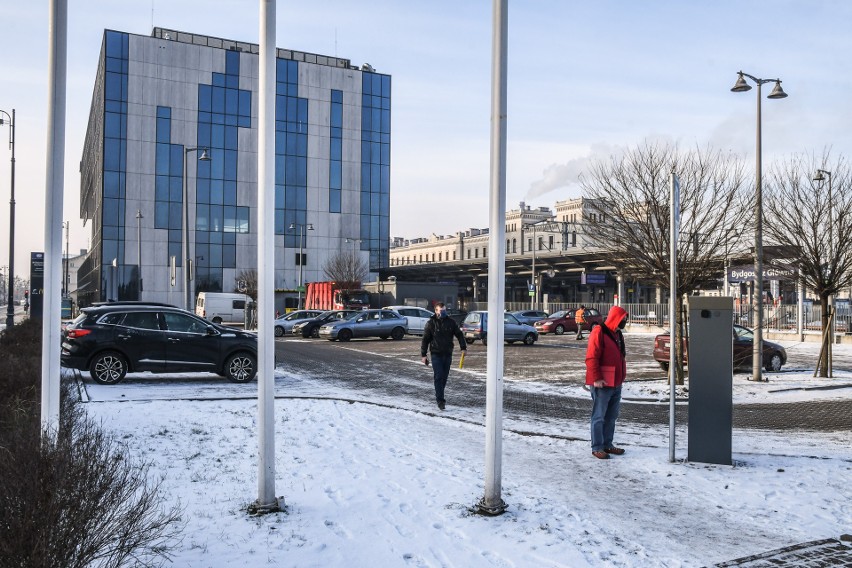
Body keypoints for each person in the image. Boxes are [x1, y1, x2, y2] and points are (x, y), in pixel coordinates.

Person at [585, 305, 629, 459]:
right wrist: (596, 378)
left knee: (611, 416)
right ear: (616, 318)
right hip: (602, 383)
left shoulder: (618, 334)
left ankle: (608, 444)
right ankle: (597, 447)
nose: (625, 321)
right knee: (599, 416)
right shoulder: (599, 331)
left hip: (616, 382)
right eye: (623, 318)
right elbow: (591, 357)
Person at [421, 302, 466, 410]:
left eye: (445, 310)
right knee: (438, 376)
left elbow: (459, 335)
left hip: (448, 353)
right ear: (436, 311)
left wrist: (463, 347)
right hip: (436, 353)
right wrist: (423, 355)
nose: (443, 312)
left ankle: (440, 394)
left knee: (444, 378)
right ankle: (440, 401)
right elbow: (425, 339)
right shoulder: (431, 323)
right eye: (441, 310)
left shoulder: (451, 322)